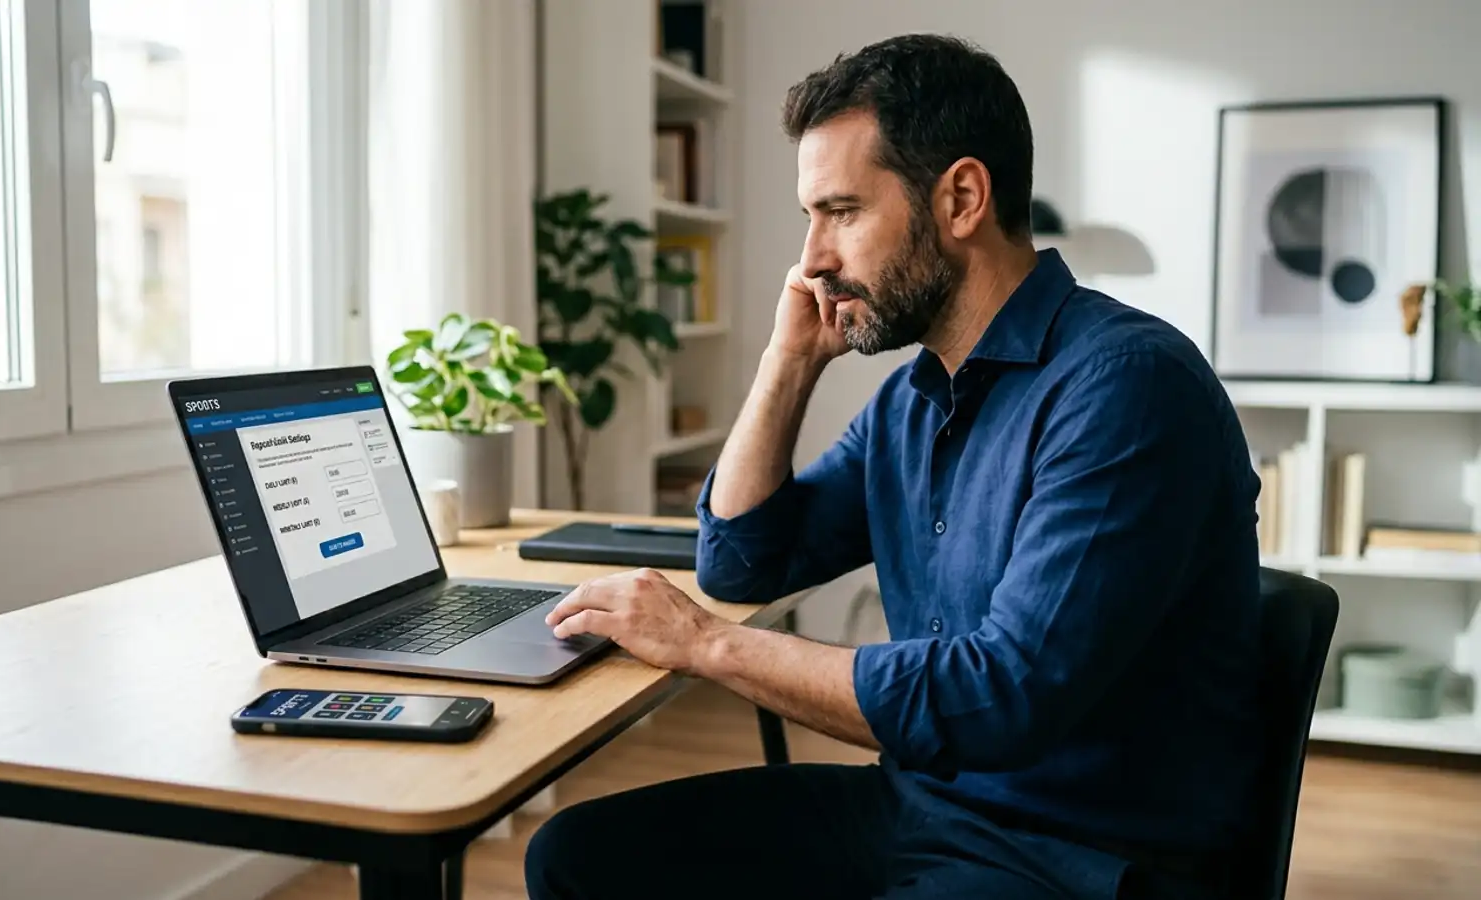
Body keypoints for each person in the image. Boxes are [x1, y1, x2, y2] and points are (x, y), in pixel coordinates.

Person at [526, 33, 1262, 900]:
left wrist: (706, 644)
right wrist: (787, 362)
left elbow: (1000, 699)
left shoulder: (1126, 385)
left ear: (961, 198)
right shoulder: (913, 402)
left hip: (1076, 858)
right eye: (811, 217)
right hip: (923, 807)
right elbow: (740, 562)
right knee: (574, 856)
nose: (812, 259)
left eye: (840, 212)